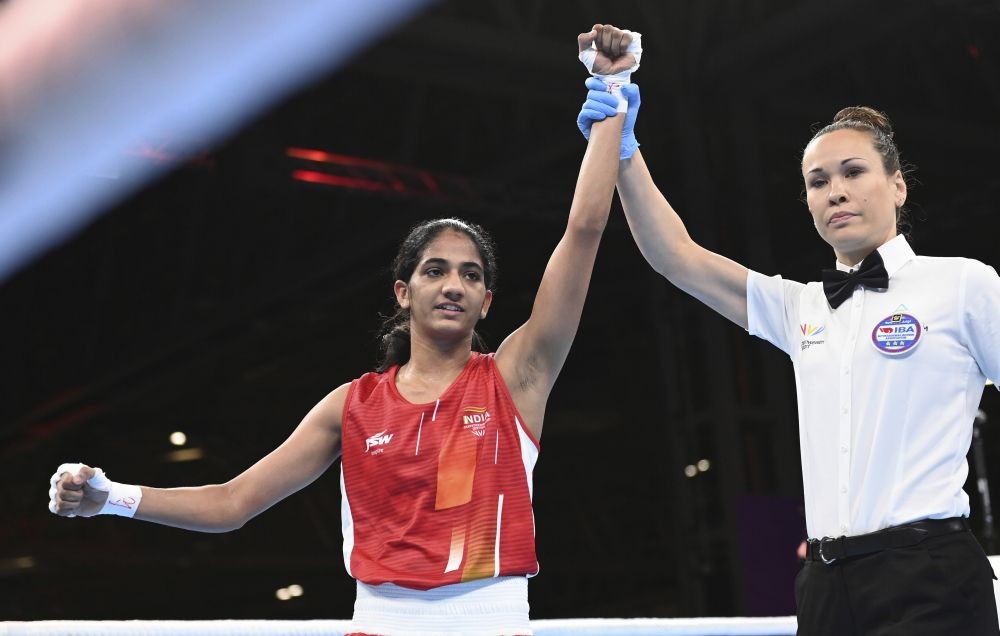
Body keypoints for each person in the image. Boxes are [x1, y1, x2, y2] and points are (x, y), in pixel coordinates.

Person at [46, 26, 638, 636]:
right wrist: (111, 496)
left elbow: (584, 232)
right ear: (404, 293)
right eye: (435, 271)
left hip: (493, 621)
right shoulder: (351, 407)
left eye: (470, 275)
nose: (453, 285)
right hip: (378, 625)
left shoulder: (519, 376)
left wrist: (612, 90)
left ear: (487, 303)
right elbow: (232, 503)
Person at [576, 24, 1000, 636]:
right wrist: (622, 141)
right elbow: (676, 256)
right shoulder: (801, 307)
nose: (836, 191)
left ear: (897, 185)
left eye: (853, 172)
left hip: (928, 575)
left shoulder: (963, 285)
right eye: (818, 181)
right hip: (827, 585)